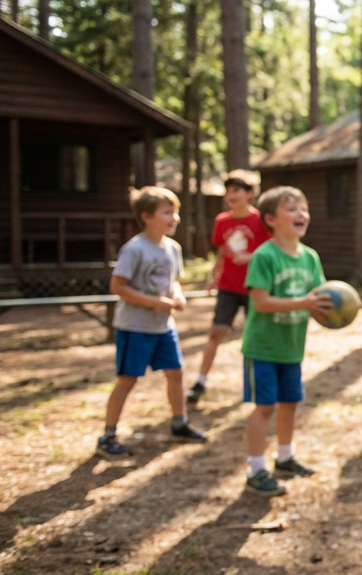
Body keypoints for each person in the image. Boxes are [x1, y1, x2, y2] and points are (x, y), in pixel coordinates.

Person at [100, 187, 208, 459]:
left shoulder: (173, 248)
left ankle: (179, 423)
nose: (175, 218)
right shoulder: (134, 249)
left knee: (176, 373)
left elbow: (173, 282)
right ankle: (108, 436)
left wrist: (177, 296)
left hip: (164, 327)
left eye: (176, 212)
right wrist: (155, 303)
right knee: (128, 380)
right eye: (168, 212)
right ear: (147, 216)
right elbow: (118, 286)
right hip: (135, 327)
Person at [240, 186, 333, 497]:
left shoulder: (311, 257)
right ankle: (255, 469)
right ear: (270, 219)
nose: (301, 213)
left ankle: (285, 457)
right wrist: (304, 304)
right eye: (291, 208)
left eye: (302, 207)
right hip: (263, 348)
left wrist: (335, 313)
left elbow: (318, 300)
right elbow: (262, 302)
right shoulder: (264, 256)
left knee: (291, 403)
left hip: (291, 349)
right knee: (265, 406)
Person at [189, 169, 269, 404]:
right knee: (216, 331)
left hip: (255, 287)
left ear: (250, 194)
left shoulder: (260, 220)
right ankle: (201, 381)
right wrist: (214, 275)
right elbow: (222, 250)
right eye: (228, 191)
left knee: (256, 335)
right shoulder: (222, 221)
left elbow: (270, 251)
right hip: (229, 286)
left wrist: (251, 257)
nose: (231, 196)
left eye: (236, 191)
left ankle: (257, 382)